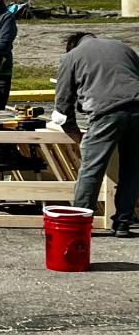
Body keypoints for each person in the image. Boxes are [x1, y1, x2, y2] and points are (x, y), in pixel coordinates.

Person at [55, 32, 139, 238]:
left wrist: (72, 130)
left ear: (72, 45)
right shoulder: (123, 47)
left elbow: (63, 101)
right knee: (132, 169)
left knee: (91, 170)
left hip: (106, 113)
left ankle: (79, 224)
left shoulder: (72, 57)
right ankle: (122, 224)